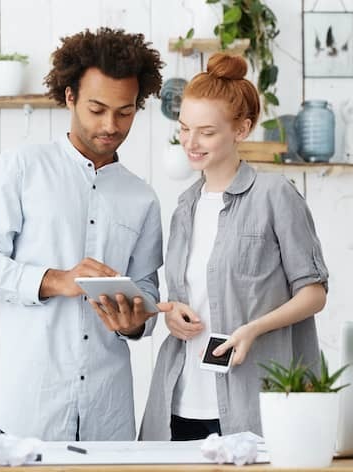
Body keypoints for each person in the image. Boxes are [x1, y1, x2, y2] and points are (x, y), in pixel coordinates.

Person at [0, 27, 165, 441]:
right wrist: (57, 280)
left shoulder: (142, 197)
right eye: (97, 108)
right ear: (70, 97)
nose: (111, 125)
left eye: (124, 112)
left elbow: (146, 289)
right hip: (27, 412)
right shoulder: (21, 168)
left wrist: (134, 322)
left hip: (108, 419)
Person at [139, 53, 329, 441]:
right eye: (184, 128)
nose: (191, 142)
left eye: (206, 132)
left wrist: (252, 330)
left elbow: (313, 293)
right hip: (179, 397)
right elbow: (186, 297)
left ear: (241, 129)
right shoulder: (184, 208)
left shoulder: (275, 195)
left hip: (251, 399)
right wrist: (172, 315)